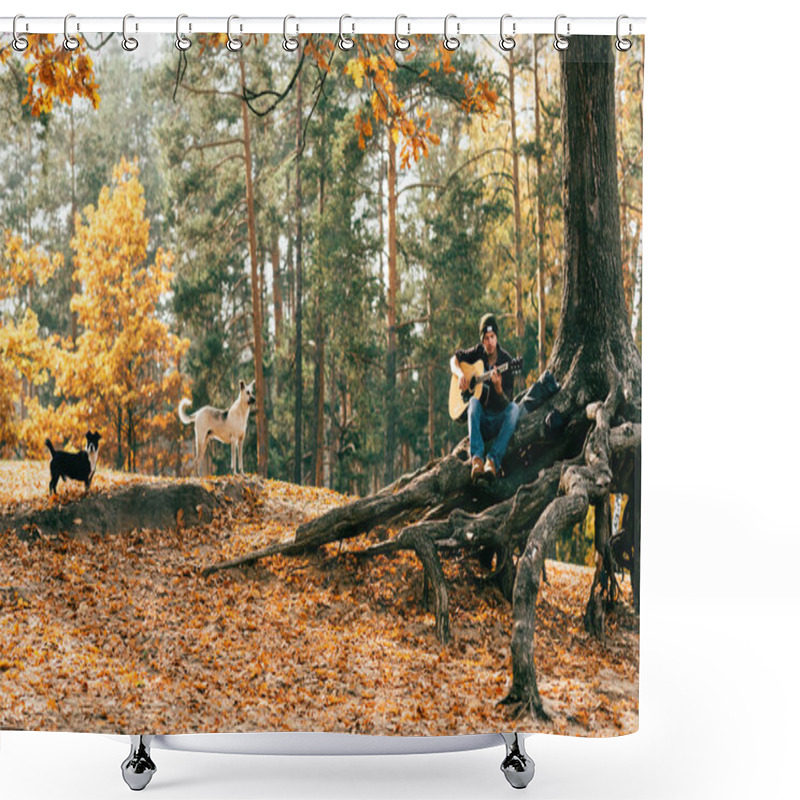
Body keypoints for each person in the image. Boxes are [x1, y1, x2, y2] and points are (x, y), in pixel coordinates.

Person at [450, 313, 520, 483]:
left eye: (492, 337)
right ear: (482, 340)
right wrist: (460, 375)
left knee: (515, 409)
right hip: (480, 420)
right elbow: (455, 359)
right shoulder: (478, 353)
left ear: (497, 337)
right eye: (486, 338)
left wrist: (498, 389)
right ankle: (477, 459)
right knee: (473, 401)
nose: (489, 342)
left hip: (496, 421)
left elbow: (507, 403)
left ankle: (492, 460)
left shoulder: (507, 362)